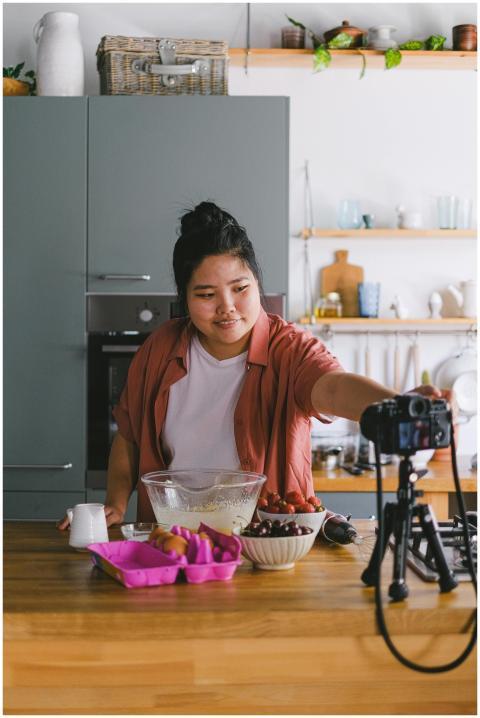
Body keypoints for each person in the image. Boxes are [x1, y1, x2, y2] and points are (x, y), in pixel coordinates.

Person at [58, 201, 444, 529]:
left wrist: (398, 405)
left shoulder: (289, 349)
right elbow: (128, 435)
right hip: (174, 545)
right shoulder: (159, 349)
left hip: (263, 547)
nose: (226, 307)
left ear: (258, 282)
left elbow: (332, 387)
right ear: (184, 298)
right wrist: (114, 501)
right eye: (206, 294)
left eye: (240, 289)